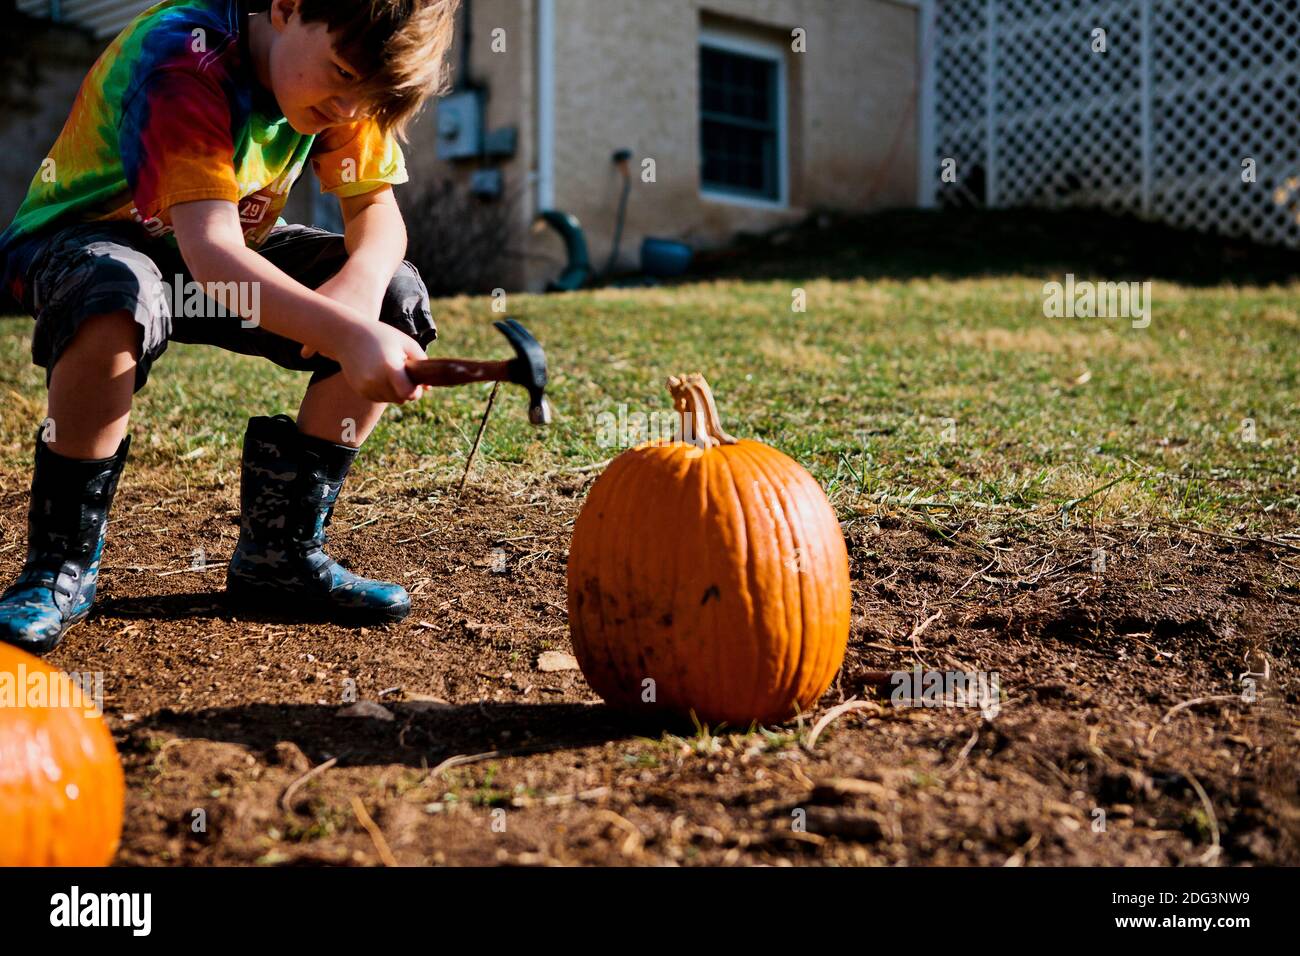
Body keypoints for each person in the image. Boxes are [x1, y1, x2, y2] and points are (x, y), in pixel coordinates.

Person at [0, 0, 460, 653]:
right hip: (89, 243)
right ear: (287, 6)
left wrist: (358, 296)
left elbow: (378, 216)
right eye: (339, 76)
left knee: (393, 291)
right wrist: (345, 335)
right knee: (117, 292)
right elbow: (214, 254)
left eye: (367, 98)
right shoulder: (183, 58)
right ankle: (59, 564)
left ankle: (281, 554)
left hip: (215, 252)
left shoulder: (348, 84)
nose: (349, 111)